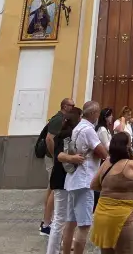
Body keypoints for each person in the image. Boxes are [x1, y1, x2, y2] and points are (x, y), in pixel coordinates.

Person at [90, 132, 133, 254]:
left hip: (102, 215)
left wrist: (109, 191)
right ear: (127, 147)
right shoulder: (131, 165)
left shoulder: (106, 163)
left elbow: (94, 185)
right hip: (122, 217)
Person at [63, 101, 108, 254]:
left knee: (70, 222)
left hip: (73, 179)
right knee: (84, 226)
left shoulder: (77, 128)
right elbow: (102, 152)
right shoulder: (88, 130)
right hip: (84, 180)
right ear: (94, 114)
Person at [47, 107, 84, 254]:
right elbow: (60, 156)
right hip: (63, 179)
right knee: (60, 219)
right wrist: (74, 158)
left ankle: (62, 247)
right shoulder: (68, 135)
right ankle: (53, 251)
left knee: (63, 218)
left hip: (60, 178)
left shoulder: (60, 135)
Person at [42, 97, 75, 237]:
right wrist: (55, 154)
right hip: (54, 158)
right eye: (71, 105)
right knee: (54, 189)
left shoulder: (62, 118)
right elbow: (49, 138)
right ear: (65, 106)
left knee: (51, 188)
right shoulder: (58, 119)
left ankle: (46, 221)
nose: (73, 107)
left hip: (56, 157)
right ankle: (46, 223)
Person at [94, 108, 114, 210]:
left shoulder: (105, 129)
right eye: (110, 116)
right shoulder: (102, 130)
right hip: (103, 158)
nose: (112, 118)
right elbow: (107, 145)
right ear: (106, 117)